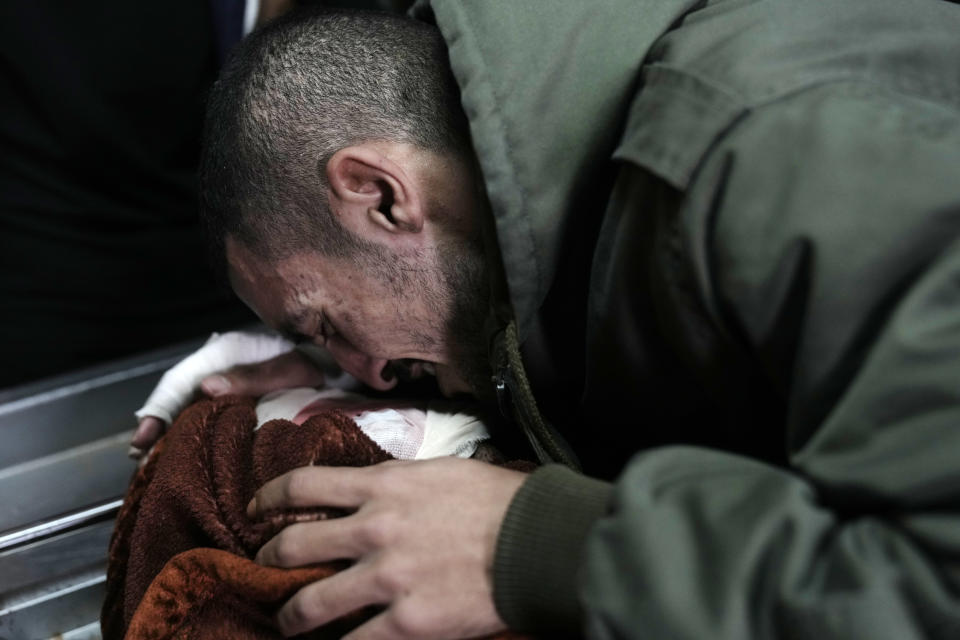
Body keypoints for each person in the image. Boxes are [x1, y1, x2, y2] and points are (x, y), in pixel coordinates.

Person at [132, 1, 960, 638]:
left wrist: (538, 546)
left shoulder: (782, 151)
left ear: (379, 194)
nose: (372, 370)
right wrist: (334, 376)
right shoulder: (529, 179)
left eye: (323, 323)